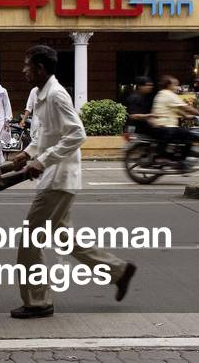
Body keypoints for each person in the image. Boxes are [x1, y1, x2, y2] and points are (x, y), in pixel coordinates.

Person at [9, 45, 136, 319]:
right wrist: (27, 154)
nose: (24, 70)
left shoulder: (56, 95)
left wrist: (42, 161)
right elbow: (45, 135)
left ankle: (38, 302)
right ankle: (118, 270)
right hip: (52, 177)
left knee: (29, 239)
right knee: (64, 238)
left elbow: (77, 134)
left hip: (59, 178)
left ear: (40, 69)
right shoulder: (38, 94)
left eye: (27, 66)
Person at [150, 75, 199, 170]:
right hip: (166, 126)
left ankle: (175, 158)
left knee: (184, 134)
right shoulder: (169, 94)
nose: (177, 87)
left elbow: (174, 109)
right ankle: (181, 162)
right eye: (175, 85)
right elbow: (185, 107)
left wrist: (186, 116)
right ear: (168, 85)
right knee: (190, 135)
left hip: (163, 125)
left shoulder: (161, 93)